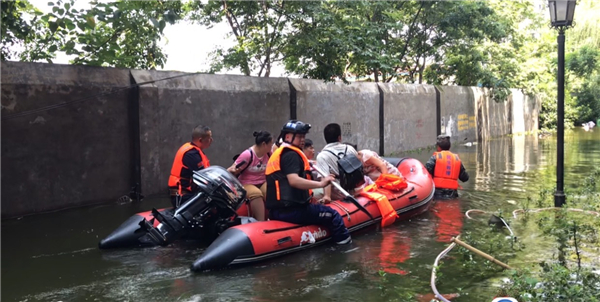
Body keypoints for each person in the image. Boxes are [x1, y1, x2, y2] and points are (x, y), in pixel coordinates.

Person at [265, 120, 352, 245]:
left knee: (318, 209)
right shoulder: (290, 155)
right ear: (288, 136)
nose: (303, 140)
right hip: (292, 211)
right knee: (333, 215)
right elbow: (294, 181)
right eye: (299, 136)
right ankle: (345, 250)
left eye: (303, 136)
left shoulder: (282, 152)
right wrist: (321, 184)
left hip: (278, 211)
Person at [227, 131, 273, 221]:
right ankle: (260, 222)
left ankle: (272, 218)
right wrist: (233, 170)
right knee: (256, 194)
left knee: (271, 190)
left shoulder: (269, 153)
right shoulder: (248, 155)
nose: (272, 146)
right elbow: (232, 169)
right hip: (246, 183)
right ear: (264, 144)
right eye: (270, 143)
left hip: (262, 181)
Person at [168, 125, 213, 207]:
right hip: (182, 196)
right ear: (201, 140)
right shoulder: (191, 154)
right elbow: (203, 175)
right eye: (209, 138)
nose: (211, 140)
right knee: (212, 202)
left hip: (188, 194)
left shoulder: (195, 151)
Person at [315, 123, 360, 204]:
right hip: (357, 189)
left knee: (314, 194)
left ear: (325, 138)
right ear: (339, 137)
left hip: (339, 194)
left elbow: (325, 177)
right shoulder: (350, 148)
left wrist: (327, 196)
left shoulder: (322, 156)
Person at [425, 135, 469, 199]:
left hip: (437, 194)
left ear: (438, 147)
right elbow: (465, 178)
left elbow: (426, 172)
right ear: (450, 147)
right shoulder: (456, 159)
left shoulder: (435, 158)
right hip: (453, 194)